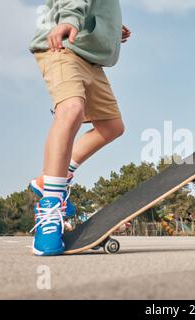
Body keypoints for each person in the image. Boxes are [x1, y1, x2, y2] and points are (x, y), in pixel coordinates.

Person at [28, 0, 131, 256]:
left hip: (91, 60)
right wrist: (69, 20)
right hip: (64, 49)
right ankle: (51, 205)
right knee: (71, 108)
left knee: (112, 126)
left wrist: (110, 29)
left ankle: (49, 179)